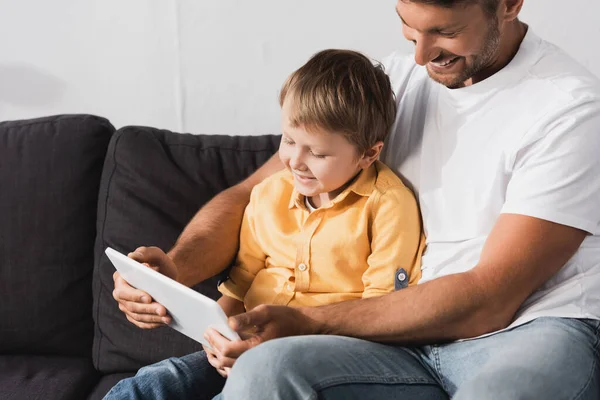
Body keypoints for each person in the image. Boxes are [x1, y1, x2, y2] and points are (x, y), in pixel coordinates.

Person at [113, 0, 600, 398]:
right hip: (394, 336)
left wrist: (306, 321)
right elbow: (251, 195)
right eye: (409, 30)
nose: (420, 57)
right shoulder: (392, 83)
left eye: (445, 33)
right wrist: (173, 272)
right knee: (264, 371)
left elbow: (490, 298)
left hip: (526, 329)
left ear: (509, 4)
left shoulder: (568, 107)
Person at [105, 49, 425, 399]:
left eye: (317, 153)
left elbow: (381, 312)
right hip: (246, 345)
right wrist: (219, 341)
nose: (295, 162)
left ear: (368, 154)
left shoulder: (389, 205)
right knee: (154, 381)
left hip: (327, 358)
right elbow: (238, 292)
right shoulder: (268, 195)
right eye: (288, 140)